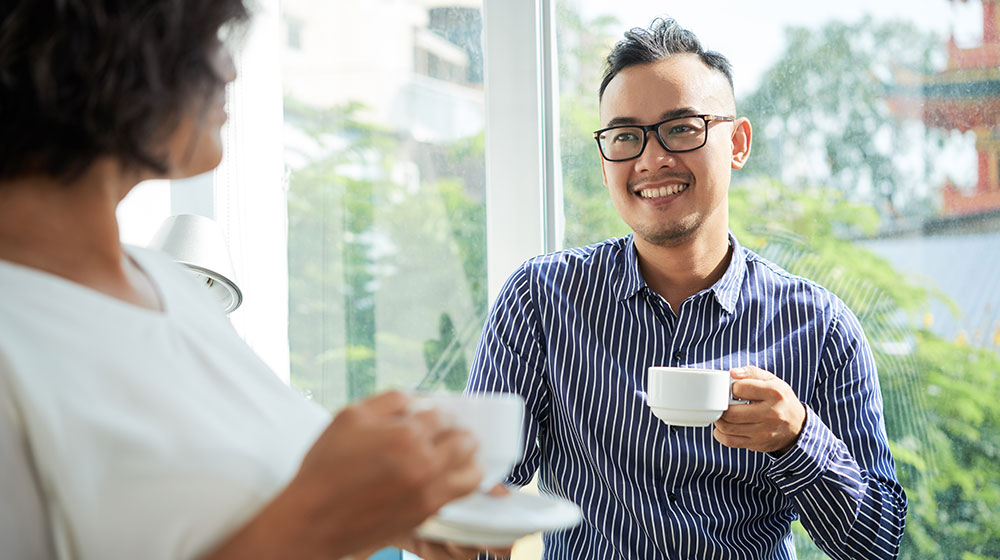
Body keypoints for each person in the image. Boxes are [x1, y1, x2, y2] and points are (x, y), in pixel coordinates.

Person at [0, 1, 506, 559]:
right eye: (208, 39)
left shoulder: (172, 287)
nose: (230, 70)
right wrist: (321, 519)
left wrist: (392, 511)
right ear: (100, 52)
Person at [466, 17, 908, 560]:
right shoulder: (540, 300)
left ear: (737, 143)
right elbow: (479, 484)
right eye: (625, 137)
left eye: (681, 128)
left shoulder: (819, 327)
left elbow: (877, 545)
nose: (651, 160)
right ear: (605, 164)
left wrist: (798, 439)